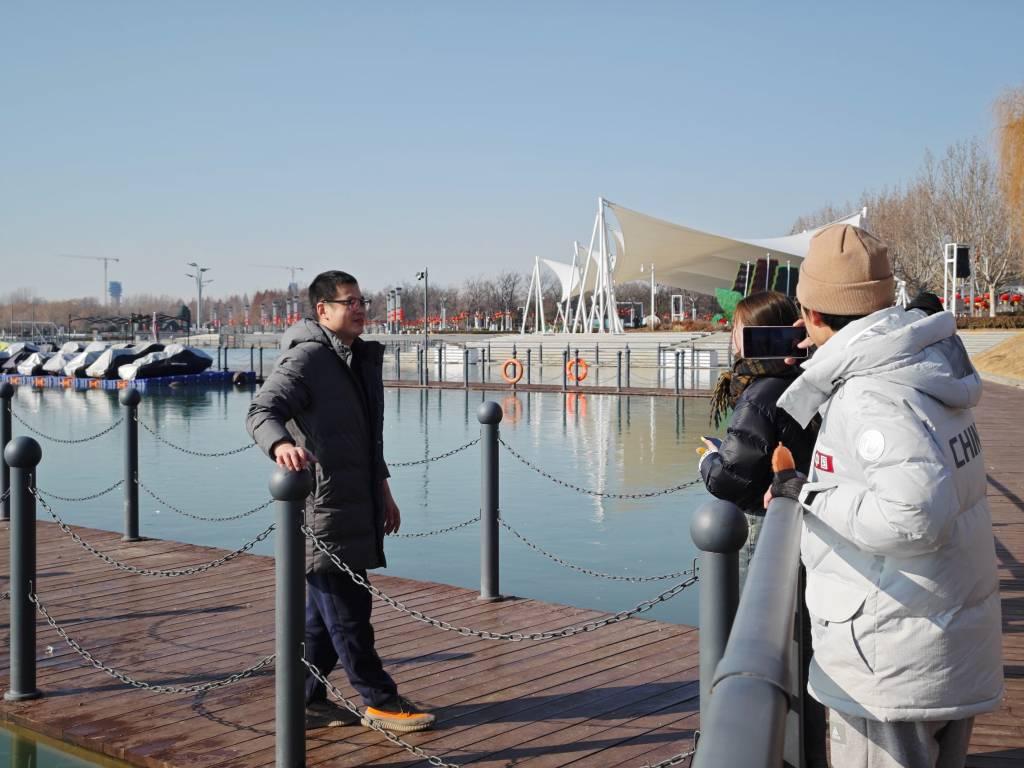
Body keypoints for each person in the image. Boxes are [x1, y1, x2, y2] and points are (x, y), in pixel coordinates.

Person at [769, 224, 1003, 768]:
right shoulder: (918, 364)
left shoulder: (870, 394)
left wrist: (805, 492)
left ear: (813, 313)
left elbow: (913, 516)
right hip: (941, 632)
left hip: (889, 653)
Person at [246, 270, 435, 733]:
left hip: (354, 503)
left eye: (361, 300)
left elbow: (366, 440)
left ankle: (305, 700)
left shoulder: (356, 359)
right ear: (322, 311)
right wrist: (280, 446)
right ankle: (381, 701)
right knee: (350, 614)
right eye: (348, 302)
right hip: (322, 510)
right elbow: (261, 410)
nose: (359, 308)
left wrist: (382, 490)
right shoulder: (309, 358)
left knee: (321, 621)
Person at [698, 290, 826, 767]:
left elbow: (735, 473)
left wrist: (710, 462)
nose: (733, 338)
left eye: (740, 329)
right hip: (798, 514)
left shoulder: (761, 391)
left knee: (760, 635)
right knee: (796, 641)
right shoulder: (803, 381)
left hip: (762, 522)